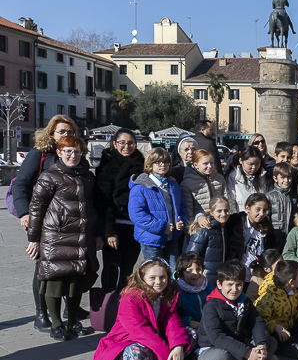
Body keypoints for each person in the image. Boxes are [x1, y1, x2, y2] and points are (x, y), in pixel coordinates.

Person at [26, 134, 101, 340]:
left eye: (76, 151)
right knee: (55, 279)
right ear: (59, 153)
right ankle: (57, 324)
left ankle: (72, 322)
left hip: (82, 236)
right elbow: (36, 209)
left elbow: (94, 207)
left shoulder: (88, 176)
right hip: (56, 236)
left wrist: (98, 235)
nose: (73, 155)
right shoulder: (49, 176)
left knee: (77, 280)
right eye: (68, 151)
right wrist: (34, 239)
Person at [13, 114, 80, 331]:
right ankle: (41, 313)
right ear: (51, 133)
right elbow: (20, 184)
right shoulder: (40, 154)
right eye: (61, 131)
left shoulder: (77, 153)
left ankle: (71, 311)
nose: (66, 135)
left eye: (70, 131)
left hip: (70, 222)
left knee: (71, 265)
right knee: (42, 266)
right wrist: (24, 213)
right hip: (42, 219)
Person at [92, 259, 195, 360]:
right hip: (128, 341)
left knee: (191, 333)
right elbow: (141, 331)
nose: (158, 282)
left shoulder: (168, 295)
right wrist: (167, 353)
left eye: (163, 277)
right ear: (142, 278)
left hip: (157, 340)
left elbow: (173, 322)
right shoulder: (129, 297)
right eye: (152, 277)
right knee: (137, 355)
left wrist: (178, 346)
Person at [197, 260, 279, 360]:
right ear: (219, 284)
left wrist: (262, 345)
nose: (234, 289)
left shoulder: (245, 301)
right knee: (221, 358)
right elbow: (217, 337)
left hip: (237, 344)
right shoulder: (211, 306)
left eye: (239, 284)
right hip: (213, 350)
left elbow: (257, 323)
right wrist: (246, 352)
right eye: (229, 284)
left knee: (271, 342)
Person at [94, 128, 146, 289]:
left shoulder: (141, 163)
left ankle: (124, 307)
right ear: (114, 143)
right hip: (115, 226)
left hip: (135, 226)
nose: (126, 146)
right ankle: (109, 306)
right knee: (112, 268)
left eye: (130, 143)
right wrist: (109, 232)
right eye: (122, 143)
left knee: (127, 270)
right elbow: (103, 201)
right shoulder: (106, 165)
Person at [128, 148, 188, 271]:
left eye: (166, 162)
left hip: (172, 238)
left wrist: (181, 221)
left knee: (173, 274)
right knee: (154, 273)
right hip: (151, 240)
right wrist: (162, 227)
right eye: (158, 162)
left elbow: (181, 207)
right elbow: (137, 214)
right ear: (150, 164)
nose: (163, 165)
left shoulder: (173, 185)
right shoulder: (140, 188)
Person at [254, 260, 298, 358]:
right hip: (279, 333)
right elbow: (258, 323)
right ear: (291, 281)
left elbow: (297, 314)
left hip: (291, 327)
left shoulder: (293, 292)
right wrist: (276, 326)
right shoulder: (267, 298)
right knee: (274, 339)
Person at [186, 197, 245, 286]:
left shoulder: (228, 228)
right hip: (205, 279)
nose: (223, 214)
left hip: (222, 278)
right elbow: (190, 256)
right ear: (211, 213)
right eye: (219, 211)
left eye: (226, 210)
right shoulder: (204, 229)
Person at [181, 149, 228, 223]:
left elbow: (226, 198)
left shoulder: (220, 178)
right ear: (196, 165)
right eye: (205, 163)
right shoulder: (187, 184)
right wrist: (191, 227)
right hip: (200, 224)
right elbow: (188, 210)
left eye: (211, 163)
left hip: (220, 221)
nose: (209, 166)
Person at [240, 193, 275, 281]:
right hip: (239, 276)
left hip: (258, 277)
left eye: (265, 210)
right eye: (258, 209)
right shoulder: (238, 223)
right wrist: (199, 217)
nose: (261, 213)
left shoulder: (267, 230)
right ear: (247, 208)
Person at [226, 146, 273, 213]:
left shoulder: (265, 176)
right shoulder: (233, 177)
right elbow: (231, 202)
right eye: (250, 164)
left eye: (257, 164)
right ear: (240, 161)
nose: (254, 167)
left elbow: (269, 199)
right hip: (241, 218)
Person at [173, 252, 211, 329]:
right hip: (188, 327)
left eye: (198, 269)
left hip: (208, 325)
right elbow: (172, 316)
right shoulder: (177, 292)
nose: (195, 273)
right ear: (181, 274)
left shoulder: (210, 288)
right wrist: (188, 321)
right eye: (189, 271)